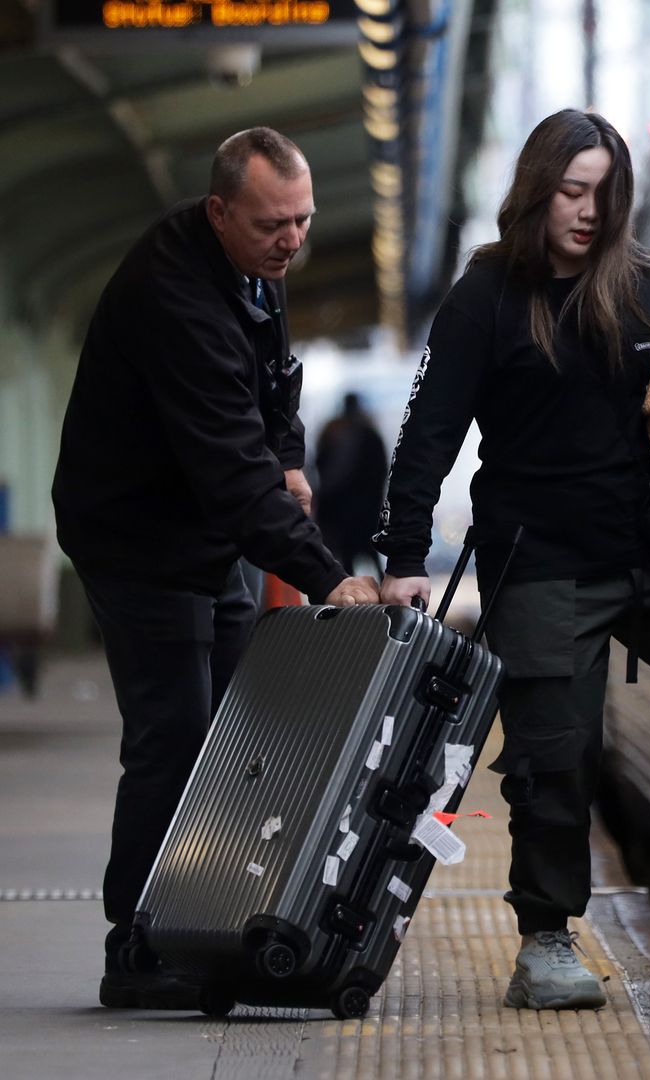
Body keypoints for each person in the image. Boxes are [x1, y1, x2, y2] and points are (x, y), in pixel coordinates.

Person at [373, 109, 650, 1011]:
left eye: (603, 194)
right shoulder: (485, 299)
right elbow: (426, 435)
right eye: (572, 190)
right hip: (540, 565)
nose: (587, 212)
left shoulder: (643, 290)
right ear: (539, 188)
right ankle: (545, 939)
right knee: (556, 758)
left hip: (649, 560)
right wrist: (401, 554)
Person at [51, 127, 382, 1010]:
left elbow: (273, 385)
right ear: (218, 211)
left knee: (237, 736)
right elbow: (232, 473)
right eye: (276, 223)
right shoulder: (174, 296)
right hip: (136, 541)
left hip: (209, 536)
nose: (293, 240)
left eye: (304, 220)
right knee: (174, 735)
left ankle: (213, 917)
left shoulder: (254, 271)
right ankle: (140, 944)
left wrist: (294, 456)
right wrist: (327, 575)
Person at [314, 392, 389, 574]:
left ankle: (349, 598)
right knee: (371, 556)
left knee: (344, 562)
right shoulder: (370, 433)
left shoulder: (333, 432)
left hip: (340, 513)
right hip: (365, 512)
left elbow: (319, 465)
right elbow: (382, 471)